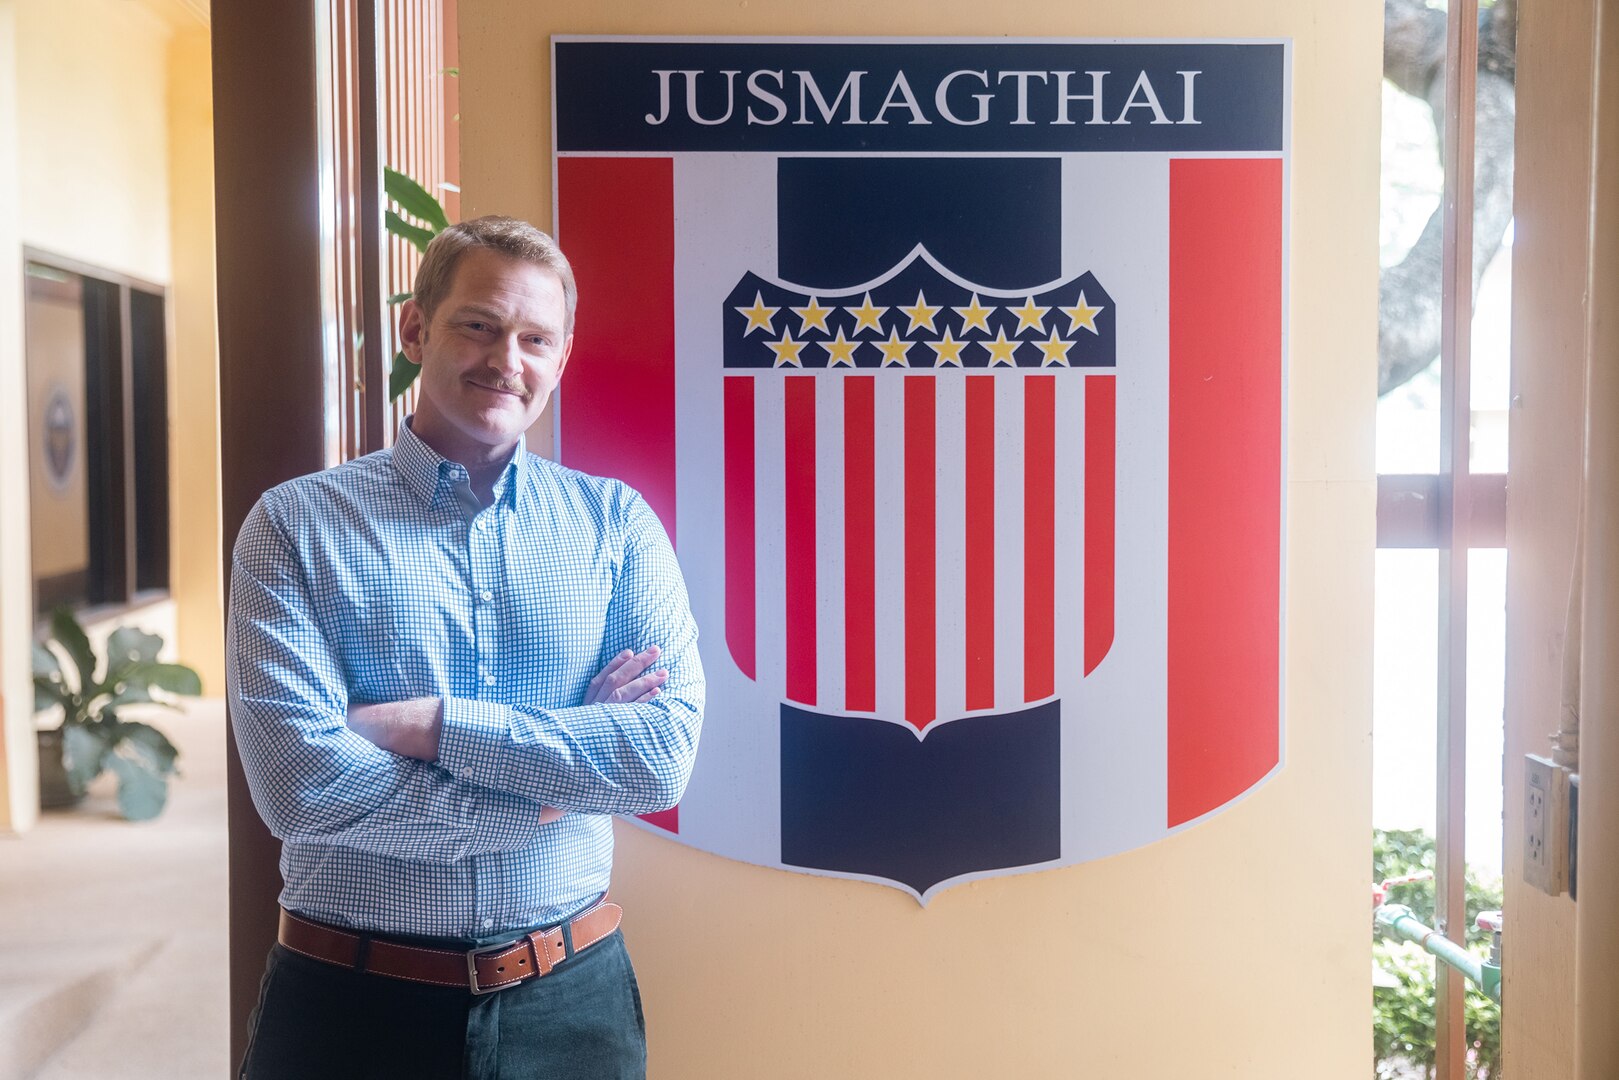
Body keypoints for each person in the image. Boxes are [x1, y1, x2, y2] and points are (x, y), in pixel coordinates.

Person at [226, 215, 704, 1079]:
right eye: (477, 325)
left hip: (570, 1008)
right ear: (417, 328)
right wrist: (554, 788)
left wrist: (435, 726)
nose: (505, 360)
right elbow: (301, 789)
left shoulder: (616, 525)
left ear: (561, 356)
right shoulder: (294, 526)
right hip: (349, 1005)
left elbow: (661, 759)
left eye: (534, 338)